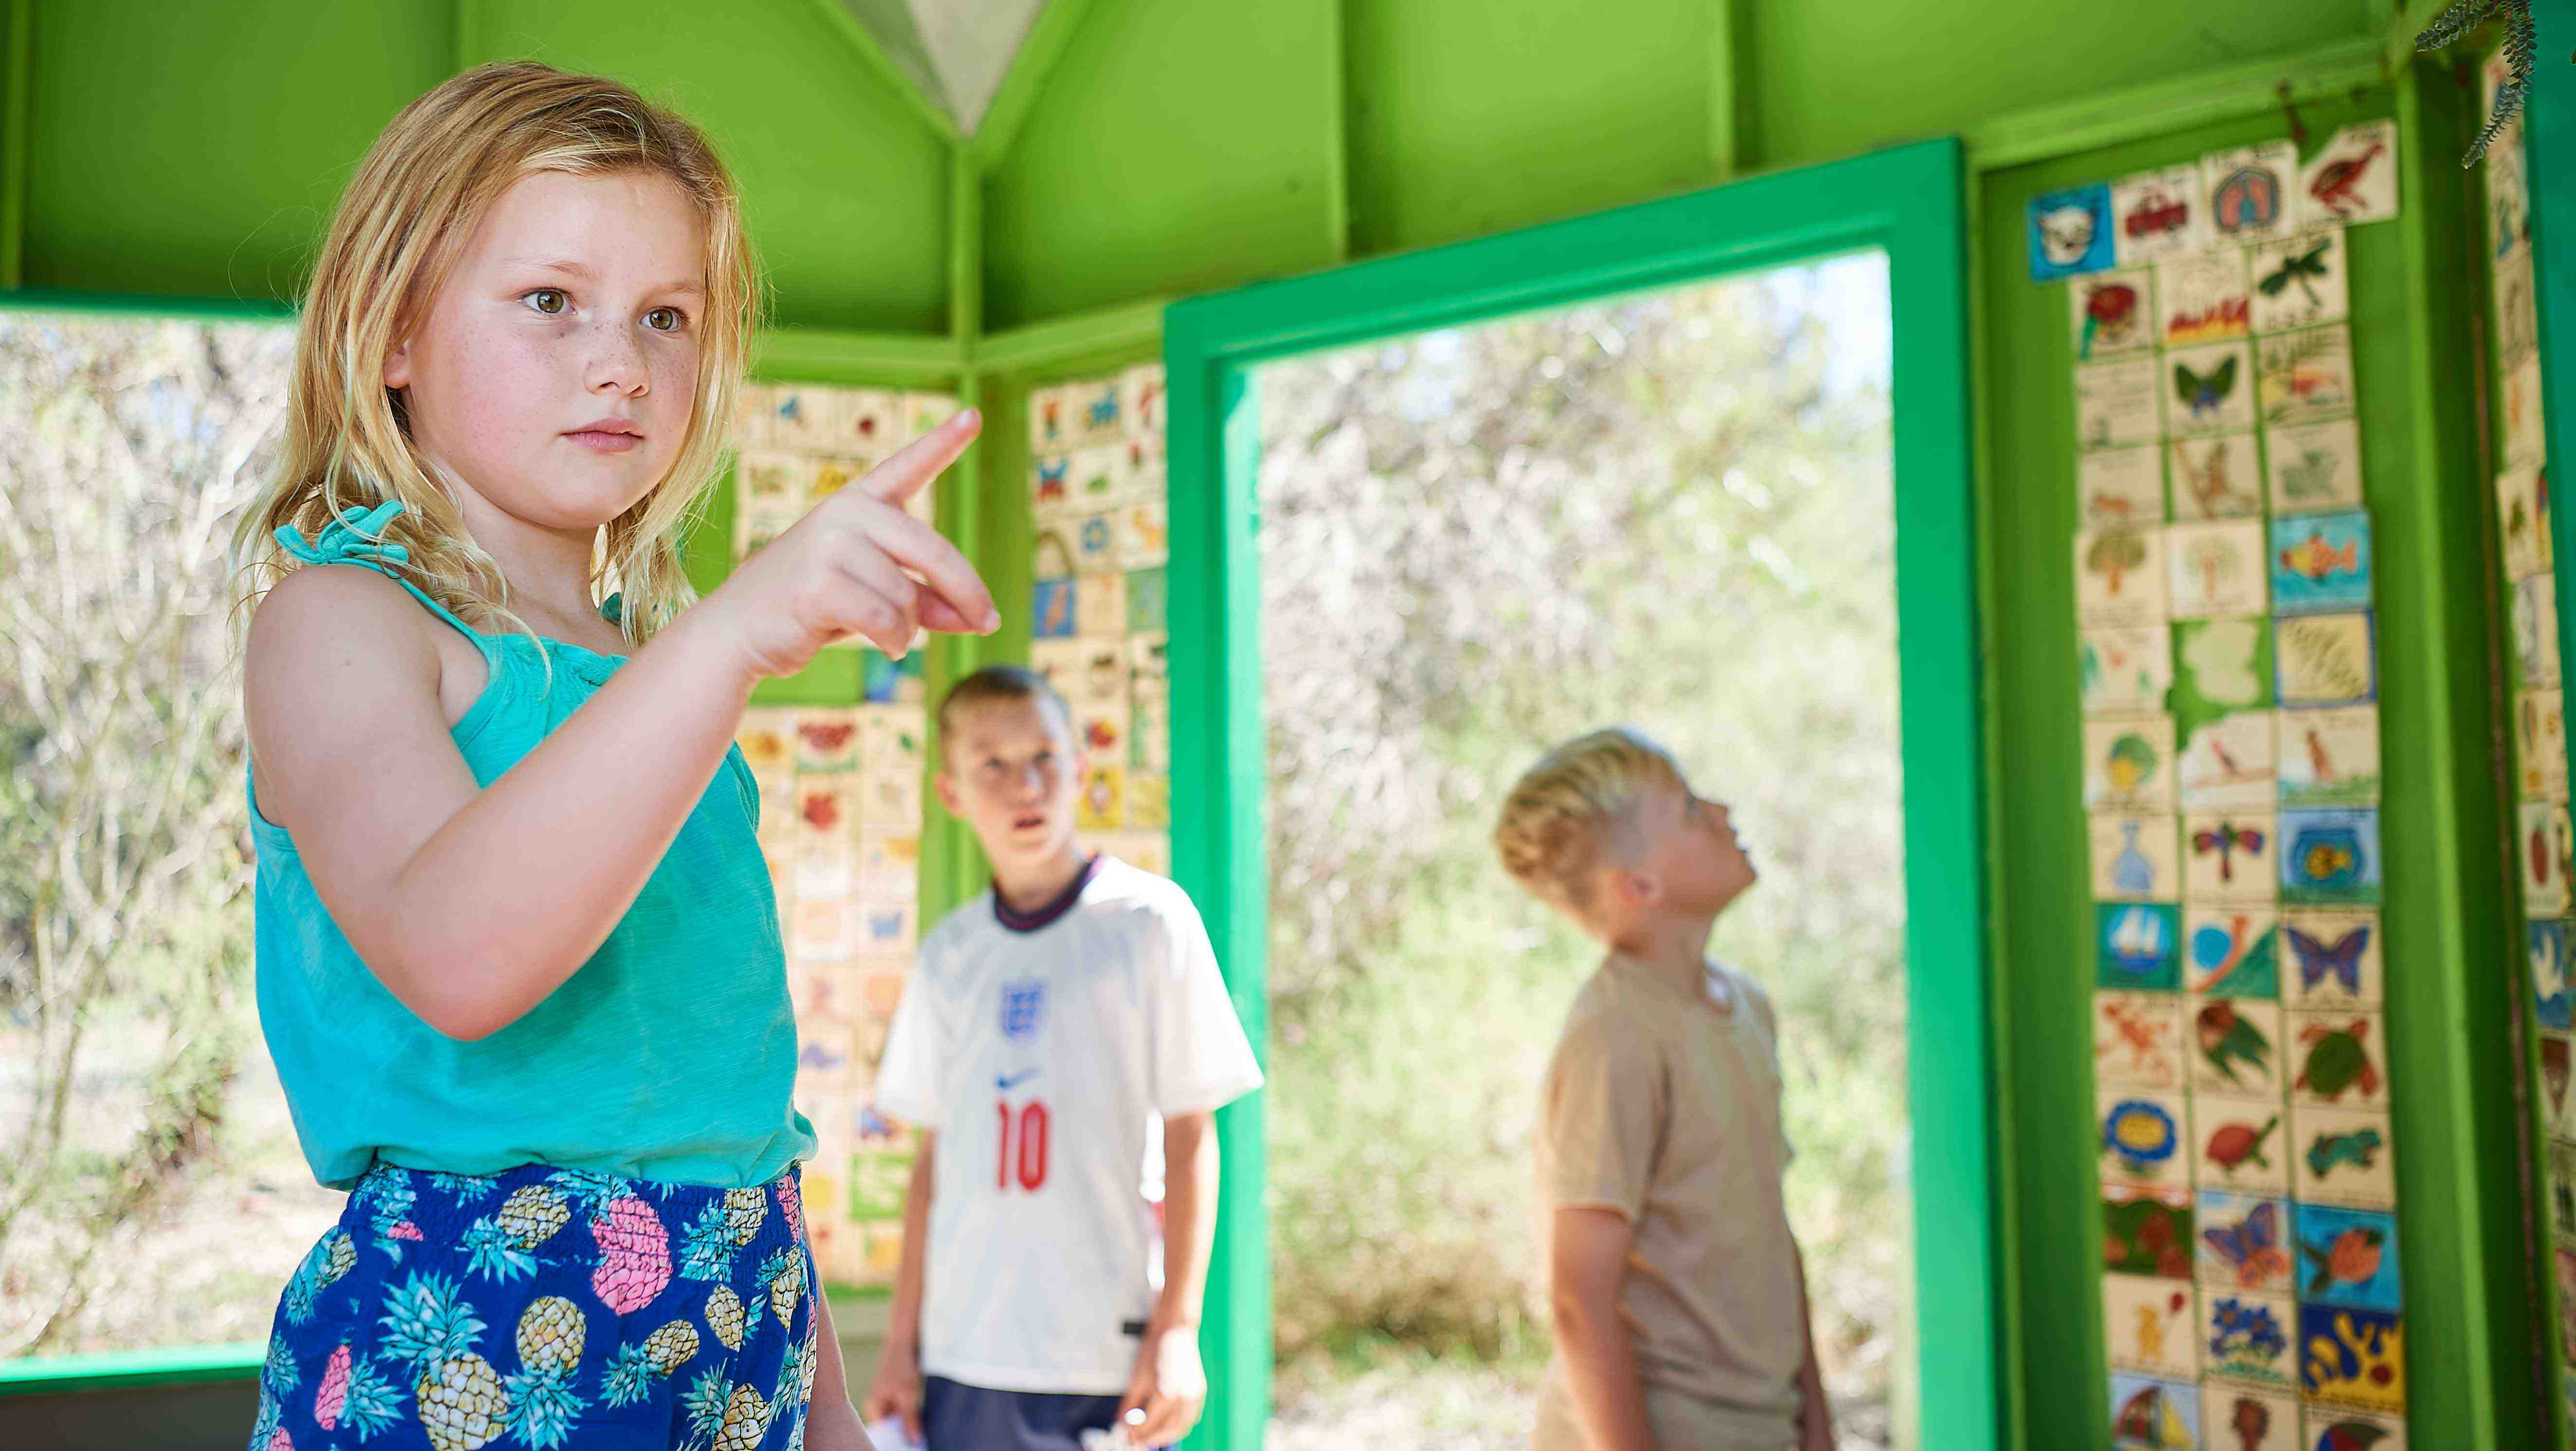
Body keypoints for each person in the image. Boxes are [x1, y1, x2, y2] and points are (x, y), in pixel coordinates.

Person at [237, 61, 996, 1451]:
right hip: (479, 1332)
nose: (619, 363)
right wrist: (736, 637)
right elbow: (457, 956)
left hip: (743, 1316)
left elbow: (727, 1120)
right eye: (549, 303)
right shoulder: (339, 619)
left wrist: (821, 1409)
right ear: (392, 331)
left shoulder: (659, 653)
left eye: (666, 317)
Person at [862, 666, 1263, 1451]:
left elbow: (1192, 1135)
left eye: (1045, 757)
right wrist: (902, 1342)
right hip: (964, 1353)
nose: (1026, 785)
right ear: (952, 793)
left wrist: (1178, 1329)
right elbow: (932, 1163)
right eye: (994, 765)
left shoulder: (1150, 923)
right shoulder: (951, 955)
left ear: (1080, 767)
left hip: (1098, 1354)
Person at [1491, 727, 1834, 1451]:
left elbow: (1770, 1232)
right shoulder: (1614, 1035)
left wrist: (1815, 1420)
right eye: (1686, 809)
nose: (1719, 808)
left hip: (1760, 1424)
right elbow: (1580, 1300)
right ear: (1637, 886)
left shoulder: (1746, 1008)